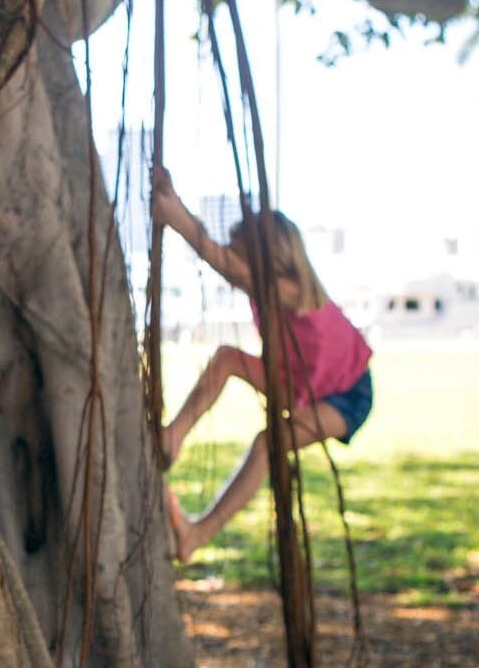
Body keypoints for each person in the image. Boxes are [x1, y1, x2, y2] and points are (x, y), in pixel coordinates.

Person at [154, 168, 373, 562]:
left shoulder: (293, 292)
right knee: (227, 360)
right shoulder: (267, 289)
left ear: (267, 257)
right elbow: (230, 263)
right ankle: (173, 437)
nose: (236, 269)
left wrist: (177, 217)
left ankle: (196, 535)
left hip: (345, 393)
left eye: (240, 254)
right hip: (295, 380)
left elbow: (227, 265)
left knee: (267, 443)